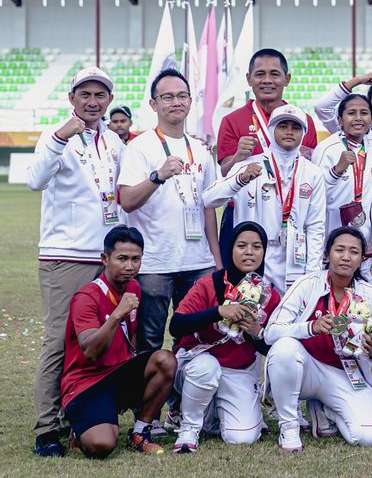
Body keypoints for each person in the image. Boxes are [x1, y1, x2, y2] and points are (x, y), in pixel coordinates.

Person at [27, 66, 125, 457]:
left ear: (109, 101)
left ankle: (80, 417)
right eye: (85, 94)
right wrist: (57, 138)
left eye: (100, 95)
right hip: (64, 256)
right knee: (58, 341)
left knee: (100, 339)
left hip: (104, 257)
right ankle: (46, 429)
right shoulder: (56, 134)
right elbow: (35, 181)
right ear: (72, 98)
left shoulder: (115, 141)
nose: (92, 101)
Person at [118, 69, 220, 355]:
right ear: (153, 104)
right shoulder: (139, 147)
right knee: (149, 339)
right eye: (167, 96)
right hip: (154, 263)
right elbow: (126, 200)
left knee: (194, 339)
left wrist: (215, 259)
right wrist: (158, 176)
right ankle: (145, 400)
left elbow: (208, 207)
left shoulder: (200, 149)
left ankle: (182, 401)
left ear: (190, 101)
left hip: (197, 262)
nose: (176, 102)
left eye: (182, 95)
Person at [265, 227, 372, 450]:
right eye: (339, 250)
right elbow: (270, 332)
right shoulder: (307, 284)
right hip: (304, 369)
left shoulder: (369, 295)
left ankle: (325, 409)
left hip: (345, 373)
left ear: (361, 259)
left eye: (354, 252)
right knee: (285, 348)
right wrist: (311, 327)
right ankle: (289, 427)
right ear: (327, 254)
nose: (346, 257)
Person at [60, 226, 177, 457]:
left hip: (117, 373)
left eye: (136, 259)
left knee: (166, 360)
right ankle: (80, 428)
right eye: (122, 259)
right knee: (102, 445)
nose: (130, 266)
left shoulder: (133, 286)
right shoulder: (86, 297)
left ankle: (140, 433)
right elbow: (91, 351)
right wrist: (117, 314)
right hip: (87, 382)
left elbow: (130, 337)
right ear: (105, 258)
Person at [168, 221, 281, 452]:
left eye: (256, 247)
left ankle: (210, 416)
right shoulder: (210, 283)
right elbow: (176, 326)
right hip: (198, 363)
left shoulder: (269, 295)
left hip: (237, 370)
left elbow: (273, 351)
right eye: (241, 245)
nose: (249, 252)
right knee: (207, 369)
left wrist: (255, 332)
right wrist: (219, 311)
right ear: (230, 249)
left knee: (243, 437)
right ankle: (188, 426)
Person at [202, 105, 326, 291]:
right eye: (283, 126)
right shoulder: (247, 165)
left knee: (291, 316)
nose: (289, 132)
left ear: (304, 132)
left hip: (294, 259)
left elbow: (316, 226)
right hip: (252, 257)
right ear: (271, 129)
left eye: (296, 127)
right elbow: (208, 199)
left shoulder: (313, 173)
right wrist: (239, 180)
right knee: (251, 316)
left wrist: (312, 273)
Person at [312, 94, 372, 270]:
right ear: (340, 120)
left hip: (366, 236)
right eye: (351, 113)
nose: (358, 118)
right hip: (331, 234)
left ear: (371, 119)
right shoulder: (326, 149)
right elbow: (314, 198)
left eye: (364, 113)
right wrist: (336, 171)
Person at [215, 48, 319, 177]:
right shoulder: (231, 121)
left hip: (292, 195)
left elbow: (312, 170)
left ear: (287, 79)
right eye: (260, 74)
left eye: (274, 74)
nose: (267, 80)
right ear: (249, 79)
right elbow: (225, 173)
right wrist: (238, 157)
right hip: (249, 196)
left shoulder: (303, 120)